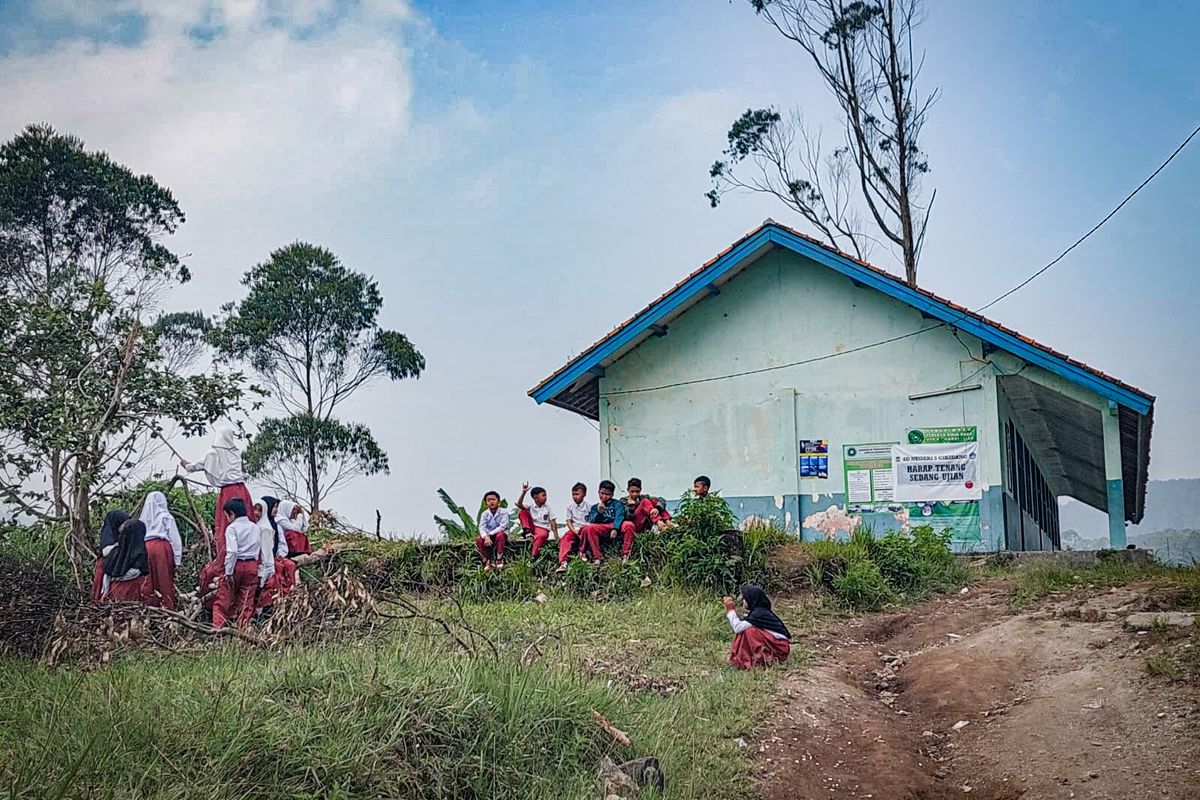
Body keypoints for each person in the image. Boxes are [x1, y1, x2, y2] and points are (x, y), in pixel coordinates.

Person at [180, 425, 252, 566]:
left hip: (228, 491)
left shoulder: (213, 453)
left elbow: (198, 465)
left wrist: (187, 466)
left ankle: (225, 558)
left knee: (226, 524)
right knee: (247, 521)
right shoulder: (235, 453)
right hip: (242, 490)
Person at [213, 498, 261, 628]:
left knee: (223, 599)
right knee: (246, 601)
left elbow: (232, 551)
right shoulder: (255, 527)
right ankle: (243, 631)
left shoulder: (232, 528)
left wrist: (228, 572)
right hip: (252, 565)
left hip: (236, 565)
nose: (227, 519)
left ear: (232, 513)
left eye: (227, 515)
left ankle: (217, 630)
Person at [724, 585, 791, 669]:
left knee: (749, 631)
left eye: (745, 599)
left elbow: (738, 627)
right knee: (747, 630)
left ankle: (763, 658)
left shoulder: (758, 613)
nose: (743, 602)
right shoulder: (760, 611)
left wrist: (731, 611)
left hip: (780, 647)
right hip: (779, 645)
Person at [139, 490, 182, 610]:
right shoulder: (166, 516)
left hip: (146, 547)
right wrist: (177, 560)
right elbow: (175, 539)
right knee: (164, 578)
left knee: (149, 579)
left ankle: (150, 607)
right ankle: (167, 606)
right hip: (161, 548)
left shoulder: (143, 518)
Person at [579, 480, 637, 564]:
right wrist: (600, 513)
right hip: (603, 527)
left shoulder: (617, 504)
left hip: (616, 525)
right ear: (598, 492)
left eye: (607, 494)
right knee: (589, 528)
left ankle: (626, 554)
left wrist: (615, 528)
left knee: (629, 525)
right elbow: (593, 521)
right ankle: (597, 557)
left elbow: (619, 516)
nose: (604, 496)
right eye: (602, 493)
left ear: (612, 494)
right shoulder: (595, 507)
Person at [255, 496, 296, 610]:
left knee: (290, 565)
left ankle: (289, 593)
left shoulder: (275, 524)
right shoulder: (258, 526)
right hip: (264, 560)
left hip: (273, 557)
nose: (276, 510)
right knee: (276, 570)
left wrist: (280, 554)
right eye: (274, 507)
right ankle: (271, 600)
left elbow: (282, 544)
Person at [101, 519, 151, 603]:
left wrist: (105, 590)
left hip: (115, 591)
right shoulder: (141, 553)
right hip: (133, 591)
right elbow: (135, 572)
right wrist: (121, 577)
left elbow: (107, 572)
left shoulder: (115, 551)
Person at [91, 509, 131, 604]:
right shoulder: (109, 535)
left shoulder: (122, 534)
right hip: (105, 567)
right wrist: (117, 545)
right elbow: (105, 551)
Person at [516, 482, 558, 560]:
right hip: (532, 526)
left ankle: (533, 556)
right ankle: (527, 532)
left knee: (541, 536)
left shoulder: (547, 508)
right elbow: (519, 504)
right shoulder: (531, 506)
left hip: (542, 528)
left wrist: (556, 536)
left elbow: (553, 521)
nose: (545, 497)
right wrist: (524, 492)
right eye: (543, 495)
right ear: (536, 497)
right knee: (522, 512)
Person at [559, 482, 590, 572]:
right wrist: (574, 530)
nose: (575, 496)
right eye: (573, 494)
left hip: (585, 529)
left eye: (577, 494)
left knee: (585, 533)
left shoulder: (589, 507)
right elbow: (568, 521)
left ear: (584, 494)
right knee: (566, 538)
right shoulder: (570, 507)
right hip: (574, 529)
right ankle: (563, 562)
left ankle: (582, 553)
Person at [476, 490, 510, 571]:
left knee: (500, 535)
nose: (491, 502)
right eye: (488, 500)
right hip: (488, 536)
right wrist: (485, 536)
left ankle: (499, 559)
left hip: (500, 534)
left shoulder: (504, 512)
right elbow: (481, 527)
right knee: (479, 539)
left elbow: (503, 526)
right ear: (486, 503)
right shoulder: (484, 514)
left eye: (493, 499)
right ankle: (486, 562)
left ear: (499, 502)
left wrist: (489, 534)